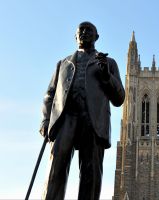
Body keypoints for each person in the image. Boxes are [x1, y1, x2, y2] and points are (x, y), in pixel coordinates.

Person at [39, 21, 125, 200]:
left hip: (93, 121)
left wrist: (106, 76)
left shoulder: (107, 62)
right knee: (55, 170)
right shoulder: (62, 63)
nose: (85, 33)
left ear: (97, 37)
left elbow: (119, 98)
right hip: (65, 120)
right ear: (75, 36)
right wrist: (46, 120)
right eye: (81, 30)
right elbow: (50, 94)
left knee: (91, 174)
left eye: (89, 30)